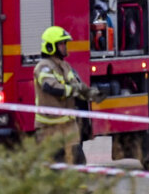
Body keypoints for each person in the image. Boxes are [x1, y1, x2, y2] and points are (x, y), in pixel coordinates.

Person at [33, 26, 100, 164]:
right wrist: (72, 90)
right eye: (61, 44)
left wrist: (92, 94)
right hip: (50, 129)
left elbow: (77, 85)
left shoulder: (65, 66)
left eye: (65, 43)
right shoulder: (43, 67)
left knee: (79, 163)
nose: (65, 47)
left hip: (69, 126)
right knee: (55, 167)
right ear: (51, 46)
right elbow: (49, 86)